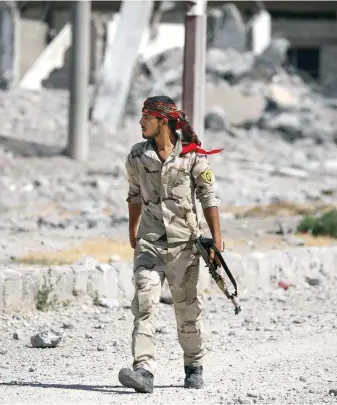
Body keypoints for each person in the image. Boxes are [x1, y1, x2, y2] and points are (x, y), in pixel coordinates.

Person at [118, 95, 224, 393]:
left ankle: (193, 364)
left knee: (187, 310)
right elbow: (134, 194)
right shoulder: (137, 157)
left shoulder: (193, 156)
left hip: (185, 246)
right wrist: (133, 230)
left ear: (162, 121)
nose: (140, 122)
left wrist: (216, 241)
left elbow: (208, 197)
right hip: (150, 242)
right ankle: (144, 370)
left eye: (146, 117)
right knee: (145, 303)